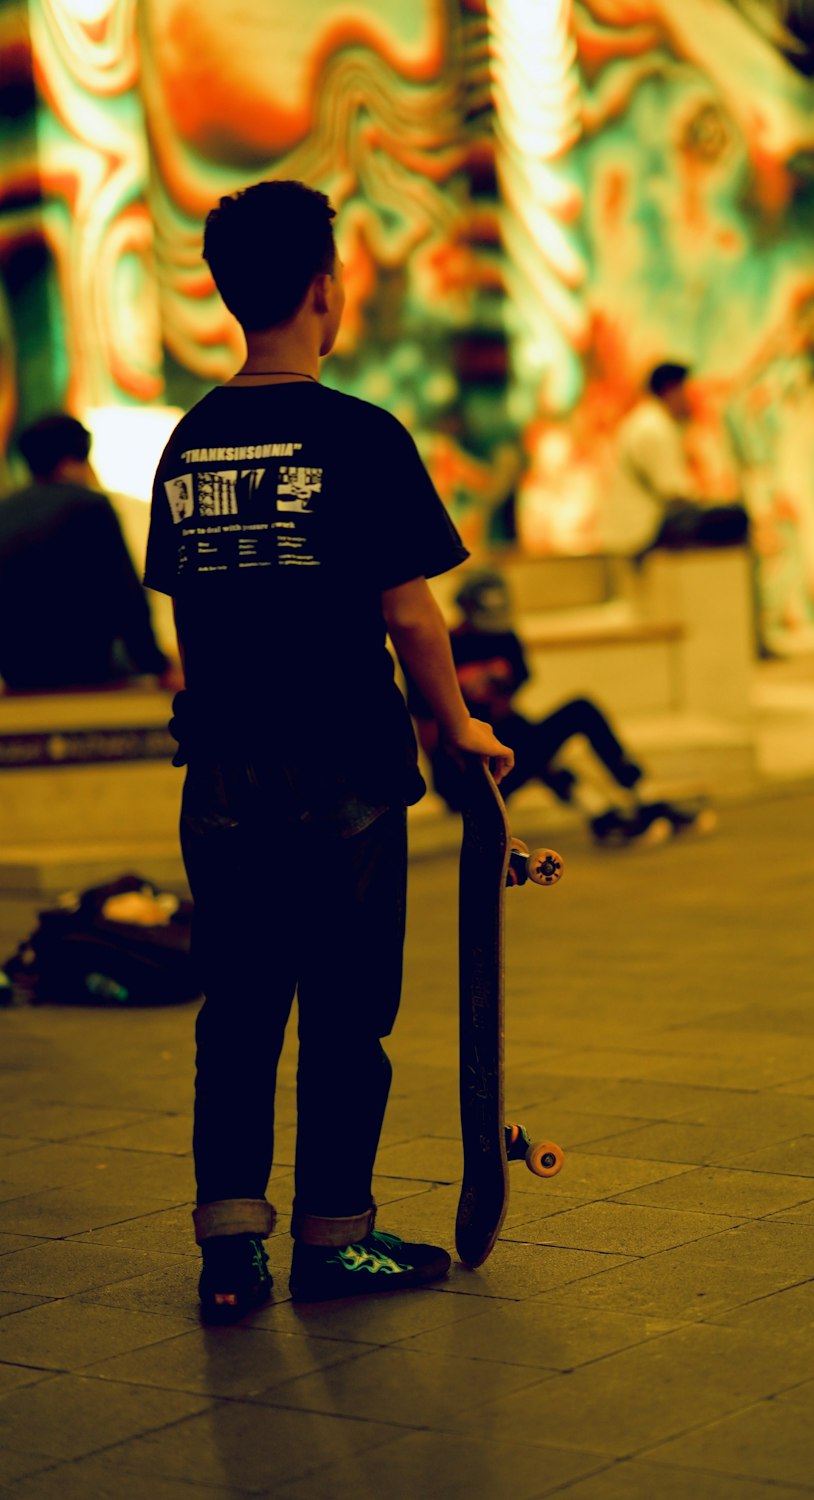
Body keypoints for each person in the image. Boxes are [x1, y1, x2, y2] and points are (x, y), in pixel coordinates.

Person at [143, 179, 512, 1323]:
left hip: (222, 781)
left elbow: (188, 628)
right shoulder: (360, 435)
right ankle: (333, 1240)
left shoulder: (187, 443)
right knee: (348, 1013)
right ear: (324, 290)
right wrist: (457, 725)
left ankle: (229, 1252)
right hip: (345, 778)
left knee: (238, 1012)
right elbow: (408, 616)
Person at [408, 568, 716, 845]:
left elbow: (507, 712)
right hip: (463, 776)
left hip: (504, 750)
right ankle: (605, 816)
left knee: (570, 716)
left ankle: (637, 798)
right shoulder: (440, 654)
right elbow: (431, 737)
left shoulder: (506, 639)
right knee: (529, 743)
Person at [0, 414, 172, 691]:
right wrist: (156, 664)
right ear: (70, 464)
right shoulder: (90, 505)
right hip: (87, 664)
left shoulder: (5, 510)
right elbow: (124, 593)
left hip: (19, 668)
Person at [606, 362, 749, 558]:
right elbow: (674, 493)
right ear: (671, 392)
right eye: (686, 391)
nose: (690, 399)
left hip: (638, 527)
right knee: (734, 518)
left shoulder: (648, 421)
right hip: (644, 530)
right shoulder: (654, 428)